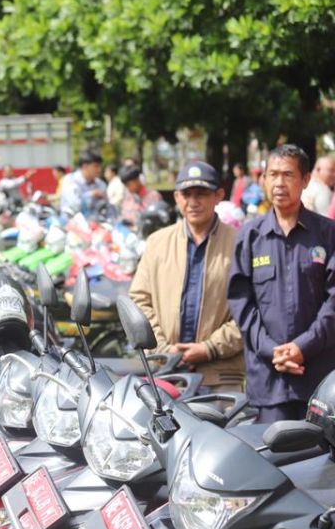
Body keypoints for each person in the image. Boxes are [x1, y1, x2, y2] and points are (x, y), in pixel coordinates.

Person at [228, 144, 335, 423]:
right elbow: (241, 303)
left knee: (320, 464)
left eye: (288, 175)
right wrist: (271, 350)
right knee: (270, 462)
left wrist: (303, 347)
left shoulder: (327, 234)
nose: (279, 183)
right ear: (263, 179)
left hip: (320, 382)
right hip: (269, 381)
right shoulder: (250, 236)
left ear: (306, 180)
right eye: (272, 174)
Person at [129, 160, 244, 392]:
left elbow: (252, 311)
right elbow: (139, 301)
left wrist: (209, 348)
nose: (193, 202)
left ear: (218, 195)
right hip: (164, 373)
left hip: (219, 375)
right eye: (186, 194)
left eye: (201, 193)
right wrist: (162, 349)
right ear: (176, 198)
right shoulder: (157, 242)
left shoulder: (241, 243)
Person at [59, 150, 107, 214]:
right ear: (85, 166)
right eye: (96, 166)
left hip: (96, 222)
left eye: (100, 166)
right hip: (71, 222)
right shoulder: (70, 180)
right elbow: (74, 205)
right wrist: (91, 194)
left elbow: (105, 207)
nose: (99, 169)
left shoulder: (101, 184)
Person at [302, 155, 335, 220]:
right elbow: (328, 221)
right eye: (331, 170)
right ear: (318, 170)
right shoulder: (322, 190)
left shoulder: (305, 186)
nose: (334, 174)